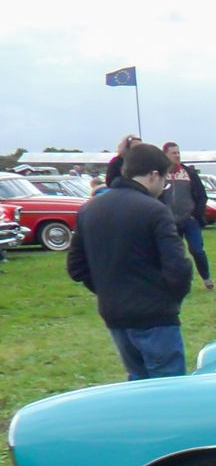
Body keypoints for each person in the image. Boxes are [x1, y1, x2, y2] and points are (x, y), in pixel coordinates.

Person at [65, 142, 192, 380]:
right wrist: (170, 298)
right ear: (154, 175)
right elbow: (178, 266)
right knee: (168, 392)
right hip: (156, 316)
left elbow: (76, 268)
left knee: (137, 386)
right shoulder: (155, 210)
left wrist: (108, 289)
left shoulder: (89, 210)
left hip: (115, 314)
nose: (164, 186)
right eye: (164, 179)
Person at [161, 142, 213, 291]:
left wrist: (195, 215)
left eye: (178, 153)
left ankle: (206, 277)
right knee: (174, 255)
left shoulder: (189, 173)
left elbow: (202, 196)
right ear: (165, 155)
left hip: (189, 220)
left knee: (197, 250)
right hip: (169, 222)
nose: (177, 155)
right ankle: (178, 283)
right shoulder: (160, 175)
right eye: (173, 153)